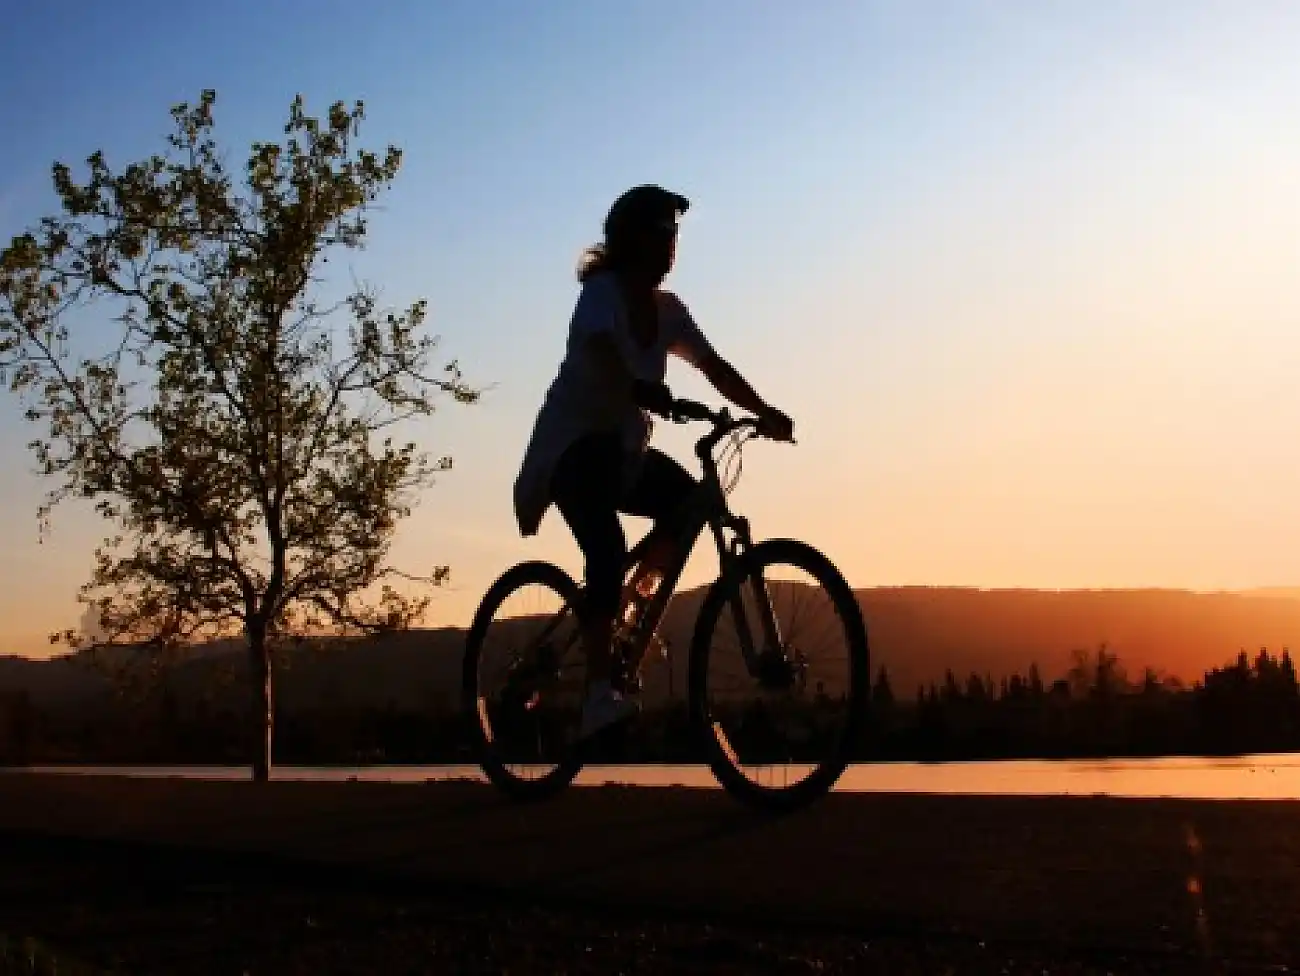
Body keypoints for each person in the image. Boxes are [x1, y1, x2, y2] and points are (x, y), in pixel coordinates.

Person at [513, 184, 794, 738]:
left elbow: (713, 366)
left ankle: (628, 613)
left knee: (689, 506)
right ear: (631, 239)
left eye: (676, 235)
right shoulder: (603, 293)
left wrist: (763, 411)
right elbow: (598, 350)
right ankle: (597, 692)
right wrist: (641, 387)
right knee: (607, 547)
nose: (672, 246)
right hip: (573, 451)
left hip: (623, 454)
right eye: (663, 233)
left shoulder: (669, 312)